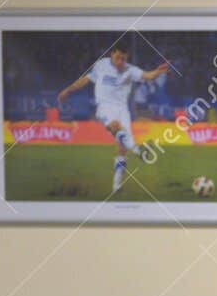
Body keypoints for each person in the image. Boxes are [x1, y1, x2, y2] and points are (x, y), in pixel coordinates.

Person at [56, 45, 172, 194]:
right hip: (104, 107)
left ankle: (116, 185)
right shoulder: (101, 65)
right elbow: (86, 79)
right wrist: (68, 89)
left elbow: (147, 75)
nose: (120, 62)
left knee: (122, 148)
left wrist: (158, 72)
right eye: (118, 57)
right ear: (112, 54)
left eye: (123, 59)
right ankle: (138, 150)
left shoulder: (130, 70)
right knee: (115, 127)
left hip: (122, 109)